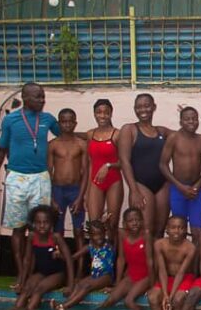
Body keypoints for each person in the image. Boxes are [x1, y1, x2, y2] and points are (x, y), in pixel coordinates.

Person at [0, 83, 62, 285]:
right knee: (18, 228)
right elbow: (0, 150)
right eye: (38, 97)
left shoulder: (48, 119)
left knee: (40, 228)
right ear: (25, 97)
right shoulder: (11, 120)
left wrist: (93, 136)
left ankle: (38, 271)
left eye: (43, 96)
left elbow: (67, 136)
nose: (42, 100)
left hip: (41, 178)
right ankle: (21, 273)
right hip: (17, 177)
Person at [118, 93, 172, 237]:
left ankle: (156, 259)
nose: (143, 110)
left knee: (160, 229)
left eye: (147, 106)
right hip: (141, 185)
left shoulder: (162, 131)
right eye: (139, 107)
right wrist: (133, 190)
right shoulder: (129, 129)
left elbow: (186, 135)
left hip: (162, 185)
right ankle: (145, 260)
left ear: (154, 107)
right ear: (134, 109)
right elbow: (124, 161)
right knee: (145, 231)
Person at [159, 107, 201, 250]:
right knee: (178, 230)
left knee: (197, 232)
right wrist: (179, 186)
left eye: (194, 118)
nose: (191, 121)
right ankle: (179, 264)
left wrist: (198, 185)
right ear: (181, 121)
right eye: (187, 119)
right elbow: (163, 164)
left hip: (195, 191)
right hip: (178, 190)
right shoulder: (174, 138)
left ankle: (195, 268)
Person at [13, 204, 73, 310]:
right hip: (41, 272)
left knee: (39, 290)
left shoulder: (56, 238)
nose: (42, 226)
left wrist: (70, 285)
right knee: (26, 290)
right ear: (34, 223)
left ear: (51, 224)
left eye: (45, 222)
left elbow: (69, 261)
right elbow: (27, 260)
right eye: (38, 222)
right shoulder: (32, 236)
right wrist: (21, 282)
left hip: (57, 274)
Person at [47, 108, 88, 266]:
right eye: (64, 121)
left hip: (75, 190)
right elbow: (48, 173)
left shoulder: (81, 144)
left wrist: (80, 197)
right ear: (59, 124)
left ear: (75, 123)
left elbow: (85, 172)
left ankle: (79, 269)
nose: (67, 124)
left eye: (70, 121)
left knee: (78, 231)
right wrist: (51, 199)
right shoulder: (53, 145)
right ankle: (60, 268)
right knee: (58, 231)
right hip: (58, 190)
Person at [99, 207, 153, 310]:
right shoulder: (122, 234)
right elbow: (121, 260)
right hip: (131, 276)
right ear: (124, 223)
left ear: (142, 221)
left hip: (145, 277)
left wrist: (152, 284)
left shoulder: (146, 235)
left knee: (129, 301)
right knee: (109, 301)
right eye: (131, 221)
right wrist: (117, 284)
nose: (134, 223)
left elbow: (150, 261)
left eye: (137, 220)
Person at [84, 99, 123, 241]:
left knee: (112, 225)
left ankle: (112, 258)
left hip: (114, 182)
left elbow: (124, 162)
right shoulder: (90, 134)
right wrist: (87, 191)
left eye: (106, 112)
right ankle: (97, 261)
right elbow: (89, 163)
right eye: (99, 112)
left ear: (111, 113)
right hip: (95, 183)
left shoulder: (117, 134)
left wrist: (108, 165)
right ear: (94, 114)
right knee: (94, 226)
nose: (102, 116)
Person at [57, 220, 115, 310]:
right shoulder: (90, 246)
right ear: (90, 236)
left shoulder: (108, 245)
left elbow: (112, 235)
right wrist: (60, 255)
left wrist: (107, 224)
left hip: (106, 276)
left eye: (101, 234)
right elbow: (72, 258)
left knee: (87, 286)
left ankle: (65, 306)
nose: (98, 237)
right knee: (79, 284)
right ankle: (65, 302)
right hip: (94, 275)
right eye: (95, 235)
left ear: (104, 233)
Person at [147, 215, 197, 310]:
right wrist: (165, 294)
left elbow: (181, 273)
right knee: (153, 298)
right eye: (173, 227)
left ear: (185, 230)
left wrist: (170, 296)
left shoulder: (190, 248)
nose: (177, 231)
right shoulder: (159, 244)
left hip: (184, 278)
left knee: (177, 300)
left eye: (181, 228)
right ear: (167, 229)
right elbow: (162, 270)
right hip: (166, 277)